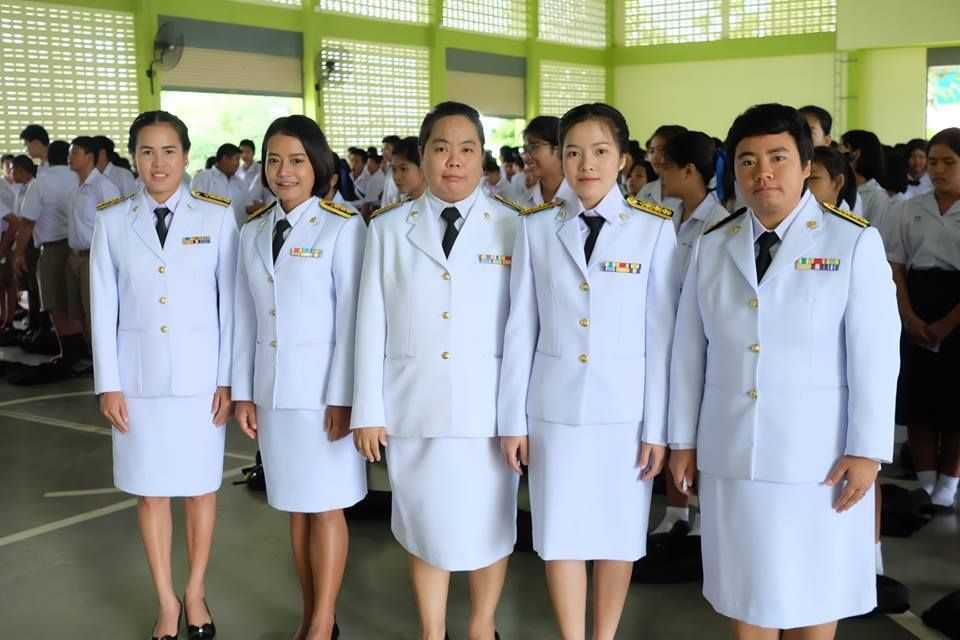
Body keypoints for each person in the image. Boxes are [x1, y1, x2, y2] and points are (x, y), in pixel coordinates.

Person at [669, 103, 900, 638]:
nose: (763, 173)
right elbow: (688, 351)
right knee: (746, 593)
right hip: (733, 451)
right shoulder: (713, 244)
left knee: (814, 593)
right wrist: (683, 440)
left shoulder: (851, 241)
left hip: (817, 459)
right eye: (748, 161)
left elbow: (875, 354)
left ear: (805, 165)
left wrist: (867, 450)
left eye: (778, 158)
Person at [498, 103, 676, 640]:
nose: (586, 164)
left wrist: (659, 429)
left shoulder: (652, 229)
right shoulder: (537, 227)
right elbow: (520, 327)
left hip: (625, 415)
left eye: (600, 151)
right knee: (561, 536)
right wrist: (512, 420)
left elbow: (662, 338)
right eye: (573, 152)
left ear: (623, 159)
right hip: (553, 410)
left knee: (619, 537)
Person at [352, 101, 520, 640]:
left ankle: (481, 626)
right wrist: (367, 410)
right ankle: (432, 631)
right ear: (422, 156)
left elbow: (524, 332)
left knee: (491, 527)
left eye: (467, 149)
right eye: (442, 148)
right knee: (424, 527)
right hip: (413, 405)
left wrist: (520, 417)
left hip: (487, 411)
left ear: (482, 157)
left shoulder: (514, 227)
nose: (454, 161)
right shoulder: (388, 228)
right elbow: (370, 323)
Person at [91, 110, 238, 640]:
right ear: (133, 157)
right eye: (147, 151)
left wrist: (229, 380)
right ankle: (165, 601)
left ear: (186, 156)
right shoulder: (112, 220)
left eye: (169, 151)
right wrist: (108, 383)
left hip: (201, 383)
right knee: (150, 493)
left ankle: (195, 591)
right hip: (138, 383)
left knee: (199, 490)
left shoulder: (217, 217)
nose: (158, 163)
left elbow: (232, 306)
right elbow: (102, 306)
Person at [233, 115, 366, 640]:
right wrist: (244, 393)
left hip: (322, 397)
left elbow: (354, 320)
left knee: (326, 508)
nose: (284, 171)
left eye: (296, 160)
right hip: (273, 394)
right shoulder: (252, 230)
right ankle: (310, 614)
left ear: (318, 166)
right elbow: (245, 318)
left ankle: (324, 621)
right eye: (274, 160)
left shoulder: (342, 226)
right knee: (294, 508)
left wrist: (345, 397)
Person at [887, 127, 960, 512]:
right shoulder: (909, 208)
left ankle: (948, 484)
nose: (938, 170)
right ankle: (927, 484)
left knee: (955, 400)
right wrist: (908, 315)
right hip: (916, 301)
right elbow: (896, 266)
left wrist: (948, 324)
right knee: (919, 397)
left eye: (949, 162)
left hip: (956, 307)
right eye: (933, 162)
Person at [518, 116, 575, 210]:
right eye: (525, 149)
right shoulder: (524, 202)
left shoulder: (582, 200)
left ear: (560, 149)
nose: (525, 156)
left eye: (534, 147)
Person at [841, 130, 893, 234]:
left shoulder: (877, 196)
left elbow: (874, 234)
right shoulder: (841, 186)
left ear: (855, 154)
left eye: (841, 148)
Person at [191, 143, 248, 225]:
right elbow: (194, 207)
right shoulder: (203, 178)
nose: (238, 164)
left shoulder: (240, 183)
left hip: (237, 230)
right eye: (236, 159)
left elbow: (246, 207)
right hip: (210, 229)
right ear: (225, 158)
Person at [638, 124, 687, 210]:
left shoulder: (688, 192)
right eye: (652, 151)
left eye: (662, 150)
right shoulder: (646, 190)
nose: (655, 157)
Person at [390, 136, 426, 202]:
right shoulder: (403, 204)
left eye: (403, 169)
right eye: (394, 169)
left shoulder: (439, 206)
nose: (396, 177)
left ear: (424, 168)